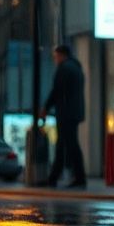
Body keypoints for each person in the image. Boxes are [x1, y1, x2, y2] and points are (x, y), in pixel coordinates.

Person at [42, 45, 87, 189]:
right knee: (68, 144)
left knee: (65, 145)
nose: (55, 60)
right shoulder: (77, 69)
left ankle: (67, 177)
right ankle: (58, 177)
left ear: (62, 55)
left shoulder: (64, 69)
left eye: (55, 56)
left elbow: (57, 91)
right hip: (75, 112)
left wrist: (45, 107)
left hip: (66, 113)